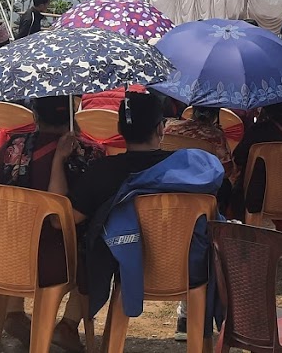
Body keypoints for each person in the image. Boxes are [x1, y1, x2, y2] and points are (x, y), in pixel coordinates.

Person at [62, 92, 227, 341]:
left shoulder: (102, 172)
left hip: (128, 266)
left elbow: (70, 219)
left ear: (120, 130)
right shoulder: (192, 169)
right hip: (187, 268)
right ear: (161, 128)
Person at [0, 94, 100, 350]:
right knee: (94, 245)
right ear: (72, 115)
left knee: (20, 226)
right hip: (55, 257)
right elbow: (92, 208)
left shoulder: (11, 148)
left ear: (35, 115)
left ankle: (13, 311)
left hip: (4, 252)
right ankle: (68, 324)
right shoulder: (87, 154)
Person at [164, 106, 231, 177]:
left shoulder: (171, 128)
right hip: (201, 180)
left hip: (168, 176)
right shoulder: (216, 136)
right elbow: (226, 170)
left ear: (193, 109)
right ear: (215, 115)